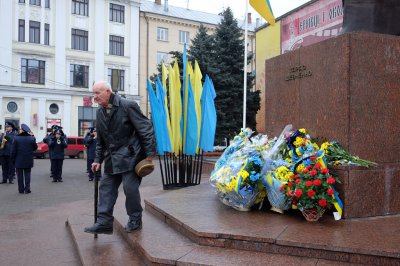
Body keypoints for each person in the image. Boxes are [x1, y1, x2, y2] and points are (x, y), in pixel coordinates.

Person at [84, 81, 155, 235]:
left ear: (108, 92)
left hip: (131, 156)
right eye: (93, 93)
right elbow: (101, 140)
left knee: (130, 189)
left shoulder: (127, 105)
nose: (94, 97)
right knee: (106, 188)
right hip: (112, 158)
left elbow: (146, 128)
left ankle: (135, 220)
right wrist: (97, 160)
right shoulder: (99, 112)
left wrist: (149, 154)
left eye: (97, 93)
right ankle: (104, 222)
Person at [11, 124, 37, 194]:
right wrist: (33, 138)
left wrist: (12, 159)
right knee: (27, 175)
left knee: (19, 175)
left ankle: (21, 190)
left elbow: (13, 151)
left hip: (18, 160)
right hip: (28, 160)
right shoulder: (31, 138)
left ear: (22, 130)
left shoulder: (16, 138)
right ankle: (27, 189)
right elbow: (35, 148)